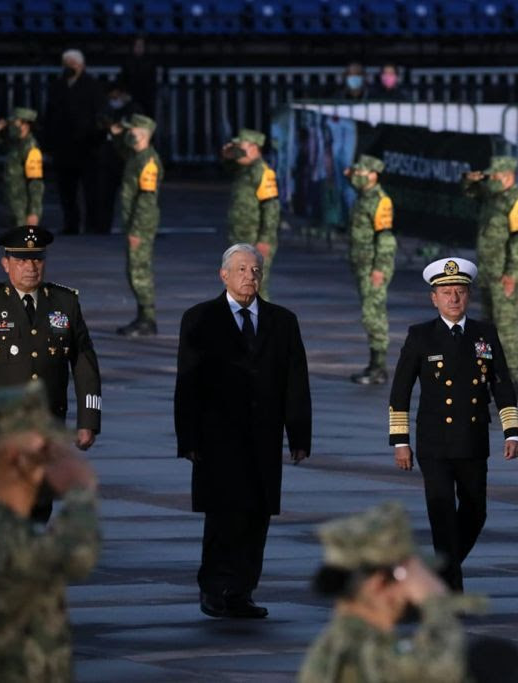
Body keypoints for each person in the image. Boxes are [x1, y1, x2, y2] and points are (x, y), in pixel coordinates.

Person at [174, 244, 311, 619]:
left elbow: (295, 382)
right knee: (222, 516)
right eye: (241, 269)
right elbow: (188, 381)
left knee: (256, 516)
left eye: (255, 270)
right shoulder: (200, 318)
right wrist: (188, 438)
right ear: (224, 275)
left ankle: (242, 591)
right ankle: (214, 588)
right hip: (218, 439)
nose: (249, 276)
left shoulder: (282, 321)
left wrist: (298, 435)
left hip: (263, 439)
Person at [389, 258, 518, 591]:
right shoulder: (421, 336)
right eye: (446, 292)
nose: (453, 298)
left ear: (469, 295)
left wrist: (512, 431)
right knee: (442, 514)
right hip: (434, 442)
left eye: (459, 292)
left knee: (476, 512)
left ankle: (431, 575)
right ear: (434, 298)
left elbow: (502, 384)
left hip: (473, 439)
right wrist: (400, 441)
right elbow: (400, 391)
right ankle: (449, 588)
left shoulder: (484, 334)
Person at [0, 381, 100, 683]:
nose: (49, 464)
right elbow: (77, 556)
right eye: (43, 453)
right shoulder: (3, 534)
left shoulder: (9, 523)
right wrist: (79, 491)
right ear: (13, 457)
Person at [0, 226, 102, 523]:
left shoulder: (64, 302)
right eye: (22, 261)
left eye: (36, 260)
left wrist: (88, 421)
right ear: (6, 264)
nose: (30, 267)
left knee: (40, 504)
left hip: (47, 427)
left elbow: (83, 362)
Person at [298, 502, 476, 683]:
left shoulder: (345, 643)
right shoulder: (367, 652)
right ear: (378, 583)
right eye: (407, 573)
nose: (415, 585)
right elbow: (448, 670)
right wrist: (437, 606)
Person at [462, 156, 518, 391]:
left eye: (494, 177)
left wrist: (511, 273)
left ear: (508, 176)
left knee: (506, 326)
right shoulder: (492, 196)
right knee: (485, 326)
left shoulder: (517, 202)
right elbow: (471, 192)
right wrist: (469, 180)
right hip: (487, 273)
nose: (490, 180)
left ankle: (511, 376)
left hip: (504, 275)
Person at [43, 49, 108, 235]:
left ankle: (93, 224)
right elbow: (50, 116)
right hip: (64, 147)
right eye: (67, 63)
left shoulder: (93, 86)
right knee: (66, 191)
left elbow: (100, 114)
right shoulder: (57, 86)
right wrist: (47, 145)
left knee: (91, 190)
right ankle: (71, 224)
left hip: (87, 146)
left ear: (82, 66)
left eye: (73, 63)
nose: (69, 67)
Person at [345, 154, 396, 385]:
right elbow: (351, 177)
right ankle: (374, 364)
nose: (357, 176)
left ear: (374, 175)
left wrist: (379, 268)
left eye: (361, 173)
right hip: (361, 263)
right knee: (370, 313)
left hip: (373, 266)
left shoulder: (380, 200)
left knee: (373, 314)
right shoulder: (364, 195)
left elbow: (385, 239)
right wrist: (352, 175)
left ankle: (378, 367)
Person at [110, 114, 163, 337]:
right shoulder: (136, 156)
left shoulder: (148, 162)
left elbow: (146, 199)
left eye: (131, 131)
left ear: (142, 134)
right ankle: (143, 316)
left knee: (139, 271)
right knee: (134, 270)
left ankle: (147, 320)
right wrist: (116, 135)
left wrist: (137, 230)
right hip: (133, 222)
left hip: (141, 225)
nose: (128, 135)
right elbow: (120, 150)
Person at [221, 128, 280, 300]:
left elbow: (271, 208)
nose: (238, 151)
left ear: (254, 148)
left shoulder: (262, 172)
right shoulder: (243, 170)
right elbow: (227, 167)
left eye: (242, 146)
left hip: (255, 240)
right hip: (240, 239)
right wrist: (227, 154)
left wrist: (265, 239)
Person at [99, 80, 144, 235]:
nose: (113, 99)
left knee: (132, 196)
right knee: (105, 195)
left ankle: (135, 227)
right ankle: (102, 226)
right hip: (109, 158)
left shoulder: (134, 110)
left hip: (127, 158)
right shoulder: (108, 109)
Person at [0, 107, 44, 228]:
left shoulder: (31, 148)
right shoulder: (15, 144)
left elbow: (36, 183)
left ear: (25, 125)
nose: (11, 126)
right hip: (13, 206)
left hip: (23, 209)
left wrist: (34, 211)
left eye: (14, 123)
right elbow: (0, 145)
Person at [119, 35, 157, 117]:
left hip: (146, 100)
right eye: (137, 45)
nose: (139, 48)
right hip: (131, 99)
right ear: (133, 47)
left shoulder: (150, 62)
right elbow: (123, 80)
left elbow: (152, 83)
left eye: (141, 45)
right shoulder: (127, 62)